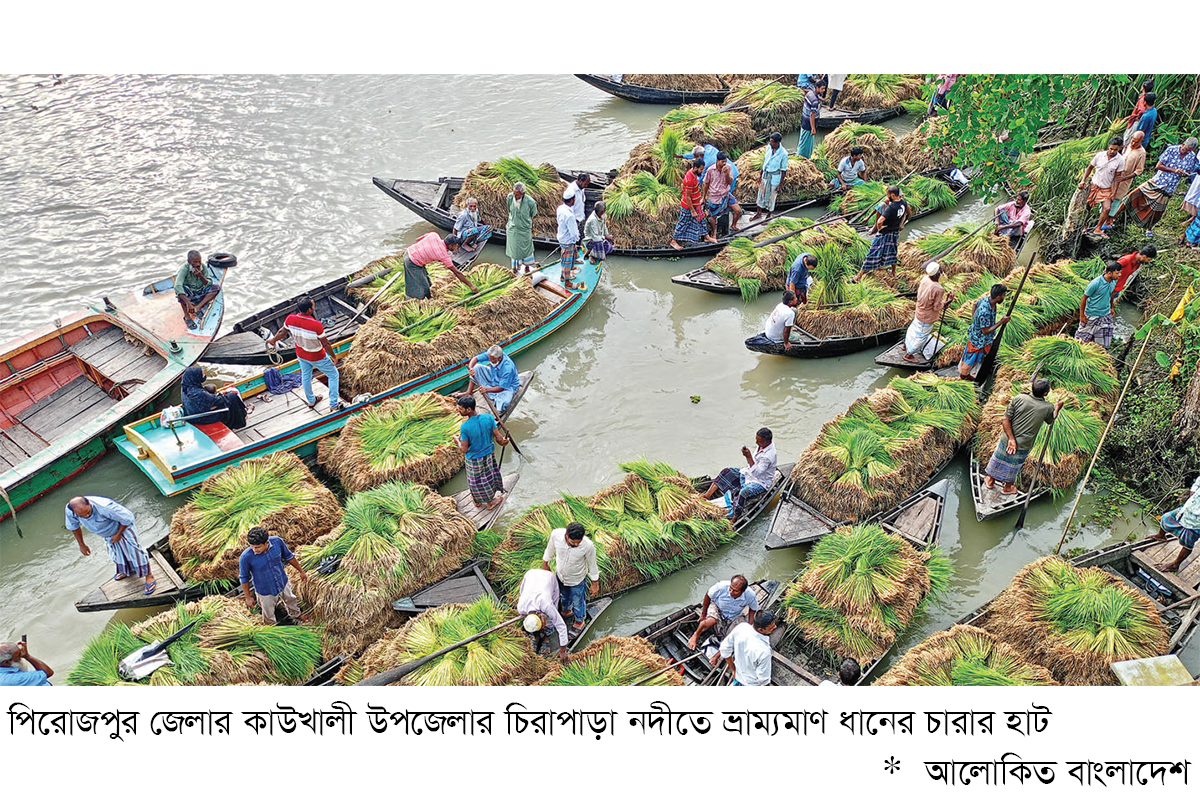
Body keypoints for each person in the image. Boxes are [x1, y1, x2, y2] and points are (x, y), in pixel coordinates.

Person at [984, 378, 1063, 496]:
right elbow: (1051, 420)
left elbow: (1005, 419)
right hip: (1023, 443)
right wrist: (1057, 408)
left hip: (1007, 438)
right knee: (1014, 465)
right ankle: (1007, 488)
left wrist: (1011, 439)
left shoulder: (1019, 398)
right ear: (1046, 393)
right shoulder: (1048, 407)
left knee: (999, 458)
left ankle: (990, 481)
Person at [66, 495, 156, 595]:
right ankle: (127, 570)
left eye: (88, 512)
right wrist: (82, 544)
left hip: (123, 527)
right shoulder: (70, 511)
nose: (86, 516)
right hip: (107, 533)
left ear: (90, 504)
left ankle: (149, 576)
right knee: (117, 553)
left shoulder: (105, 507)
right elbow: (74, 527)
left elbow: (127, 518)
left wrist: (118, 534)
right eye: (82, 516)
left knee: (135, 552)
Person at [266, 297, 344, 413]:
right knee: (333, 375)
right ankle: (333, 404)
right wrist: (334, 356)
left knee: (306, 376)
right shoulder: (316, 325)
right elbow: (326, 344)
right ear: (309, 310)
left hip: (301, 354)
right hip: (317, 356)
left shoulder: (290, 319)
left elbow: (282, 332)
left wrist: (273, 340)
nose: (314, 307)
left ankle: (311, 400)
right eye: (313, 305)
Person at [701, 427, 777, 526]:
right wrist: (749, 458)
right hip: (748, 473)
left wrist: (749, 457)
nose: (756, 443)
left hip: (760, 482)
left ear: (766, 442)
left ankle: (734, 518)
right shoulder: (762, 446)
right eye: (756, 440)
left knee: (743, 492)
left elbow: (757, 473)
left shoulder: (769, 456)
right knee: (726, 472)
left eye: (759, 441)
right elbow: (752, 468)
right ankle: (707, 495)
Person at [1128, 137, 1200, 237]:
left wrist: (1184, 173)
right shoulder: (1172, 150)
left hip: (1170, 187)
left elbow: (1188, 170)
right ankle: (1118, 215)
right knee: (1135, 195)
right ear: (1183, 145)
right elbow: (1158, 166)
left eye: (1189, 150)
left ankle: (1149, 228)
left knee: (1157, 211)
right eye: (1186, 149)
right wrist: (1174, 170)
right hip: (1158, 181)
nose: (1187, 152)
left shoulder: (1191, 156)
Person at [239, 526, 310, 625]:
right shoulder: (246, 557)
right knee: (268, 612)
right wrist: (248, 597)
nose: (254, 550)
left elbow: (289, 556)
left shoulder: (277, 542)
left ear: (267, 543)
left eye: (258, 547)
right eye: (252, 546)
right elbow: (244, 578)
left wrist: (301, 571)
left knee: (291, 600)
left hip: (282, 582)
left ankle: (297, 615)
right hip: (265, 590)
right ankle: (272, 627)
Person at [454, 395, 510, 510]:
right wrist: (504, 442)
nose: (458, 410)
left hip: (473, 459)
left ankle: (486, 502)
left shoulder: (465, 427)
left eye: (461, 409)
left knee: (475, 480)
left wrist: (457, 441)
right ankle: (485, 500)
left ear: (469, 409)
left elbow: (464, 449)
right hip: (488, 455)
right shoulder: (488, 418)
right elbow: (499, 438)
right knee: (488, 478)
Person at [541, 521, 599, 634]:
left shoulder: (588, 546)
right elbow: (550, 549)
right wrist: (545, 563)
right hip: (561, 576)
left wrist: (595, 583)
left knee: (578, 601)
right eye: (573, 542)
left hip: (577, 579)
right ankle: (567, 611)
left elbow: (592, 565)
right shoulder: (556, 535)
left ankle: (579, 621)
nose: (576, 545)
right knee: (563, 596)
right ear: (566, 535)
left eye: (578, 543)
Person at [686, 575, 761, 651]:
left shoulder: (750, 595)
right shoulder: (721, 586)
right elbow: (708, 595)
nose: (731, 592)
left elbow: (753, 609)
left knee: (736, 635)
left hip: (734, 616)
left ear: (742, 591)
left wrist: (750, 625)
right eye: (730, 588)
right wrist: (703, 614)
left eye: (735, 591)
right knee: (710, 621)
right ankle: (695, 635)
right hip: (717, 607)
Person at [851, 184, 908, 283]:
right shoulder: (903, 202)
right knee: (892, 252)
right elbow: (907, 213)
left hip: (884, 234)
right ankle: (893, 272)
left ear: (893, 195)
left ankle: (858, 277)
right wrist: (901, 224)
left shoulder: (891, 208)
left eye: (888, 194)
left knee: (872, 253)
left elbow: (880, 221)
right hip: (894, 233)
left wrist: (880, 229)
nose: (887, 196)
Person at [400, 231, 479, 300]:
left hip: (409, 252)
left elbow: (418, 239)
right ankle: (412, 300)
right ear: (450, 245)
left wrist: (425, 251)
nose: (456, 247)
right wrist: (471, 285)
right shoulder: (443, 255)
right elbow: (457, 272)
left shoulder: (434, 235)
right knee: (420, 287)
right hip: (412, 261)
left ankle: (428, 298)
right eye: (456, 246)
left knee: (426, 282)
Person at [903, 262, 953, 363]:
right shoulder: (938, 288)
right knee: (921, 336)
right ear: (937, 274)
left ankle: (905, 345)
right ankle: (909, 355)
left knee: (913, 329)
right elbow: (936, 307)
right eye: (941, 272)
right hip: (927, 316)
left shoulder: (925, 278)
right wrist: (948, 301)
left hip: (919, 310)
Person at [516, 568, 570, 661]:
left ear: (539, 614)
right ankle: (536, 636)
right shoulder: (521, 608)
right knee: (534, 625)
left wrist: (562, 650)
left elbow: (561, 626)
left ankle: (547, 636)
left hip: (548, 577)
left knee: (552, 618)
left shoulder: (547, 605)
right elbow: (522, 591)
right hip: (530, 575)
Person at [958, 284, 1010, 379]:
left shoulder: (987, 299)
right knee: (970, 359)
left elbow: (975, 304)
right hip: (978, 340)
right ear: (998, 297)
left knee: (977, 357)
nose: (1004, 297)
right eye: (1003, 295)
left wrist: (975, 320)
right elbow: (985, 331)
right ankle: (964, 375)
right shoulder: (985, 311)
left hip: (982, 338)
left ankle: (968, 373)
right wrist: (1001, 322)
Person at [1150, 474, 1200, 573]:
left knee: (1188, 542)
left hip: (1197, 521)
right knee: (1166, 518)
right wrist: (1193, 492)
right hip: (1188, 508)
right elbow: (1198, 481)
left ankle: (1175, 565)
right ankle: (1161, 536)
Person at [1078, 136, 1126, 238]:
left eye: (1115, 149)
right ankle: (1084, 226)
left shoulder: (1120, 160)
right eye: (1111, 148)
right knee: (1087, 207)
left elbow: (1117, 178)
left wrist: (1114, 193)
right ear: (1108, 146)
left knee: (1107, 208)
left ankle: (1098, 228)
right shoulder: (1100, 156)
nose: (1112, 151)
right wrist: (1083, 180)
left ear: (1119, 148)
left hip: (1106, 188)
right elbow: (1090, 168)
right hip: (1094, 185)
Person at [714, 610, 777, 686]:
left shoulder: (742, 628)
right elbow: (763, 680)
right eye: (772, 627)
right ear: (761, 629)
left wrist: (733, 670)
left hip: (738, 679)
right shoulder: (764, 651)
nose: (775, 627)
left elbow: (724, 649)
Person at [180, 365, 248, 428]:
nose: (204, 375)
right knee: (232, 396)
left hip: (192, 413)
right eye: (202, 374)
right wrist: (221, 394)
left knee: (215, 392)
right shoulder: (198, 394)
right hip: (202, 417)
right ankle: (241, 420)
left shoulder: (185, 387)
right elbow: (219, 401)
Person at [1076, 261, 1122, 348]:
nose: (1119, 275)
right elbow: (1084, 298)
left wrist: (1111, 307)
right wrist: (1082, 315)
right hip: (1092, 314)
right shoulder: (1095, 284)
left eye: (1120, 272)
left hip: (1105, 313)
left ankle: (1097, 350)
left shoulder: (1113, 281)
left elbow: (1112, 294)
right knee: (1081, 339)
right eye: (1117, 273)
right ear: (1109, 273)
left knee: (1103, 341)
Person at [670, 159, 713, 249]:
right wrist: (692, 211)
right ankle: (673, 241)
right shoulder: (689, 179)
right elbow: (688, 197)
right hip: (688, 206)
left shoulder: (693, 174)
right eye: (701, 169)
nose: (702, 171)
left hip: (696, 204)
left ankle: (706, 237)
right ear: (695, 168)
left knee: (701, 220)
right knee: (683, 223)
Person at [465, 344, 521, 413]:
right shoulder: (492, 355)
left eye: (492, 359)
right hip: (494, 376)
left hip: (508, 386)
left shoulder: (508, 368)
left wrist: (486, 390)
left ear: (499, 358)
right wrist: (471, 368)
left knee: (504, 403)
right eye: (489, 358)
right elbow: (475, 358)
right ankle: (469, 392)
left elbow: (501, 388)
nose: (490, 360)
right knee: (476, 368)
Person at [174, 250, 221, 330]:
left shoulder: (203, 267)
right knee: (180, 293)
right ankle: (187, 317)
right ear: (189, 261)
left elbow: (209, 283)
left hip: (200, 291)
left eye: (199, 261)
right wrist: (188, 303)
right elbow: (177, 286)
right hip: (190, 293)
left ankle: (198, 307)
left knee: (216, 288)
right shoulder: (184, 269)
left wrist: (200, 276)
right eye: (195, 262)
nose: (198, 264)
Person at [701, 151, 743, 237]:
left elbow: (729, 182)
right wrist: (703, 197)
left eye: (725, 161)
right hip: (714, 196)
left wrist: (726, 174)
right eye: (722, 161)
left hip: (725, 194)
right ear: (717, 161)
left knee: (738, 210)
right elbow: (706, 184)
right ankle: (713, 232)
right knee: (713, 216)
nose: (724, 163)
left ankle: (733, 225)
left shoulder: (728, 167)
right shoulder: (710, 170)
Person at [1110, 130, 1147, 221]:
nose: (1133, 143)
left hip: (1124, 180)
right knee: (1108, 195)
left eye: (1136, 142)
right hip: (1115, 176)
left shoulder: (1141, 153)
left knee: (1116, 199)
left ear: (1141, 141)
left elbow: (1139, 170)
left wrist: (1124, 178)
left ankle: (1109, 220)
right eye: (1132, 140)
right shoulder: (1127, 146)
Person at [751, 133, 788, 222]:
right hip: (766, 175)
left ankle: (768, 215)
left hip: (774, 177)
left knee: (772, 197)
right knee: (761, 194)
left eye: (772, 142)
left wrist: (780, 185)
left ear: (777, 143)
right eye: (770, 141)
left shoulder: (783, 154)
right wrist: (760, 175)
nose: (770, 143)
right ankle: (758, 213)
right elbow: (765, 163)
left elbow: (784, 170)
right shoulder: (769, 148)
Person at [505, 182, 538, 272]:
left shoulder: (530, 202)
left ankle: (527, 268)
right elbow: (509, 209)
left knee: (527, 250)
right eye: (514, 194)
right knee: (514, 251)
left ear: (523, 194)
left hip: (524, 230)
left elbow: (533, 213)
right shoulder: (510, 197)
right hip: (513, 229)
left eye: (517, 195)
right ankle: (515, 269)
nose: (515, 196)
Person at [556, 190, 585, 290]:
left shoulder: (560, 208)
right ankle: (567, 282)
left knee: (564, 259)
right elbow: (574, 233)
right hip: (568, 240)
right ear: (572, 200)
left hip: (562, 237)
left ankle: (563, 276)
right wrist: (576, 239)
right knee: (567, 262)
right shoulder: (570, 216)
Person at [796, 78, 824, 159]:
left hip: (804, 121)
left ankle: (801, 156)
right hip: (809, 124)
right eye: (822, 88)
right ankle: (802, 158)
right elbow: (812, 115)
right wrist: (813, 128)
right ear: (817, 88)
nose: (823, 90)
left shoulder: (810, 93)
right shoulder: (815, 100)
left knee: (803, 141)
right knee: (806, 144)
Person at [1124, 78, 1155, 144]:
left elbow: (1142, 110)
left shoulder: (1143, 99)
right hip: (1139, 121)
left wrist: (1137, 117)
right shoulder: (1153, 109)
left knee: (1127, 139)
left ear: (1143, 87)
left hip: (1136, 122)